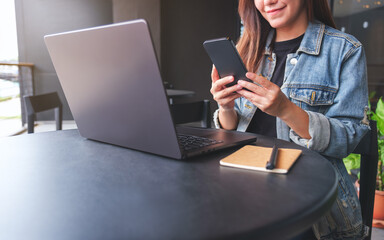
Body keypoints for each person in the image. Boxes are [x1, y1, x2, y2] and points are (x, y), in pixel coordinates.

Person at [210, 0, 370, 239]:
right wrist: (225, 107)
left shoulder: (345, 50)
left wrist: (285, 109)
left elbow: (348, 137)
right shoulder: (248, 49)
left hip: (312, 210)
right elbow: (235, 128)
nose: (267, 2)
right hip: (242, 191)